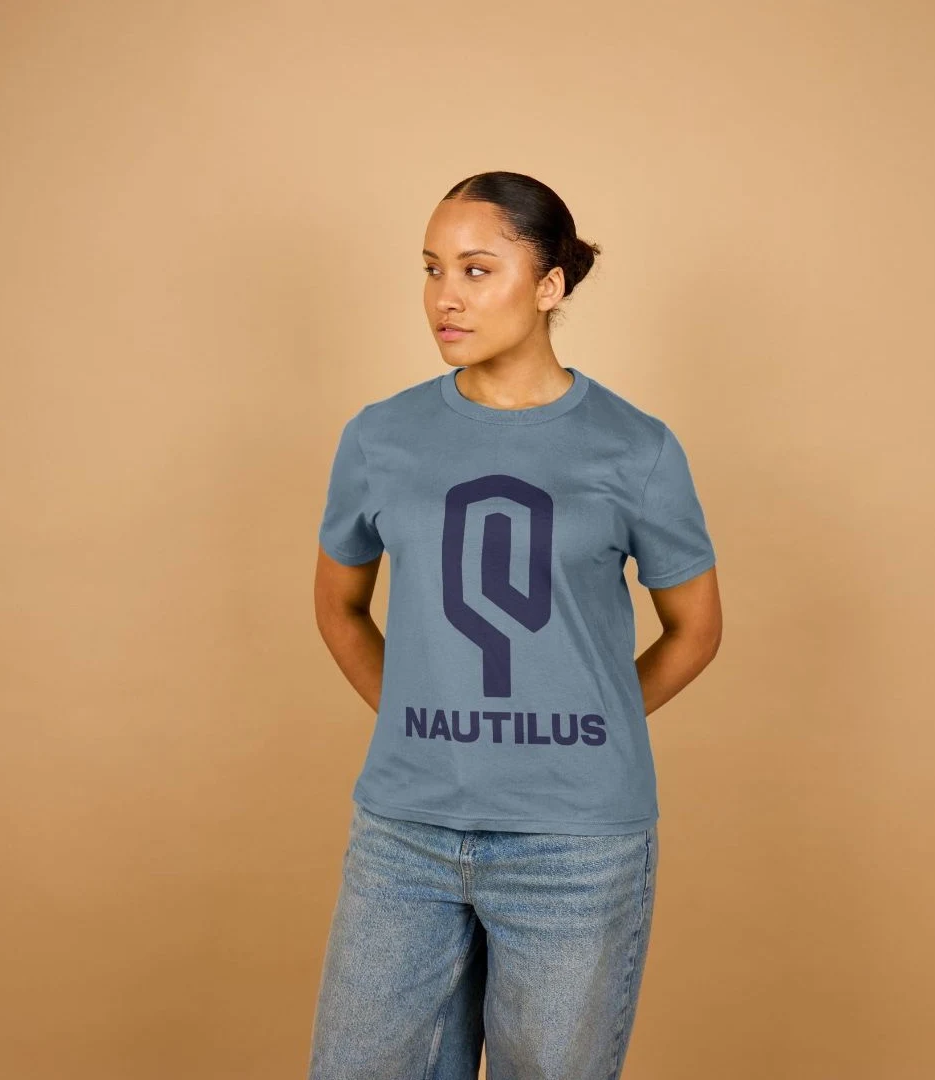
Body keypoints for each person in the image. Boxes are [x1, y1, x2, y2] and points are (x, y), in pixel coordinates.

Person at [306, 170, 723, 1080]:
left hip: (575, 845)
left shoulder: (635, 447)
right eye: (431, 269)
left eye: (476, 269)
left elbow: (695, 628)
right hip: (405, 834)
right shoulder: (381, 436)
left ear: (548, 285)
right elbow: (338, 605)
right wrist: (416, 717)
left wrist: (593, 720)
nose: (444, 297)